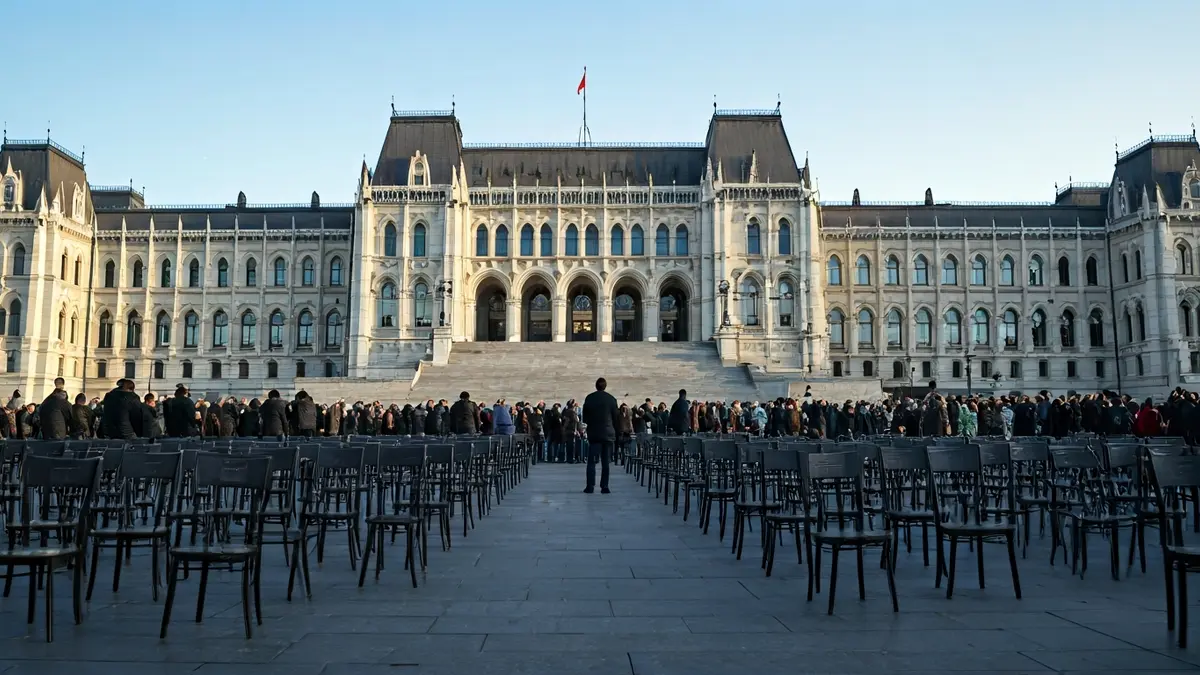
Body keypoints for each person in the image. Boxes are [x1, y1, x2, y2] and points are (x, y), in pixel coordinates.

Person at [581, 377, 621, 494]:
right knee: (605, 462)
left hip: (594, 434)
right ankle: (604, 486)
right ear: (605, 386)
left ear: (596, 386)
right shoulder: (611, 399)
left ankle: (590, 486)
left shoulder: (589, 398)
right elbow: (615, 418)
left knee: (592, 462)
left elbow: (585, 418)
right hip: (608, 433)